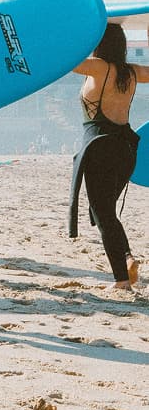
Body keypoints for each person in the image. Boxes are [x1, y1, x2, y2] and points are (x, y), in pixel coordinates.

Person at [69, 22, 149, 290]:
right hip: (126, 149)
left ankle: (121, 281)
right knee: (107, 213)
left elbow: (67, 61)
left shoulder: (98, 67)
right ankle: (126, 258)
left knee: (103, 214)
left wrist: (81, 31)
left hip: (100, 147)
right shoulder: (133, 72)